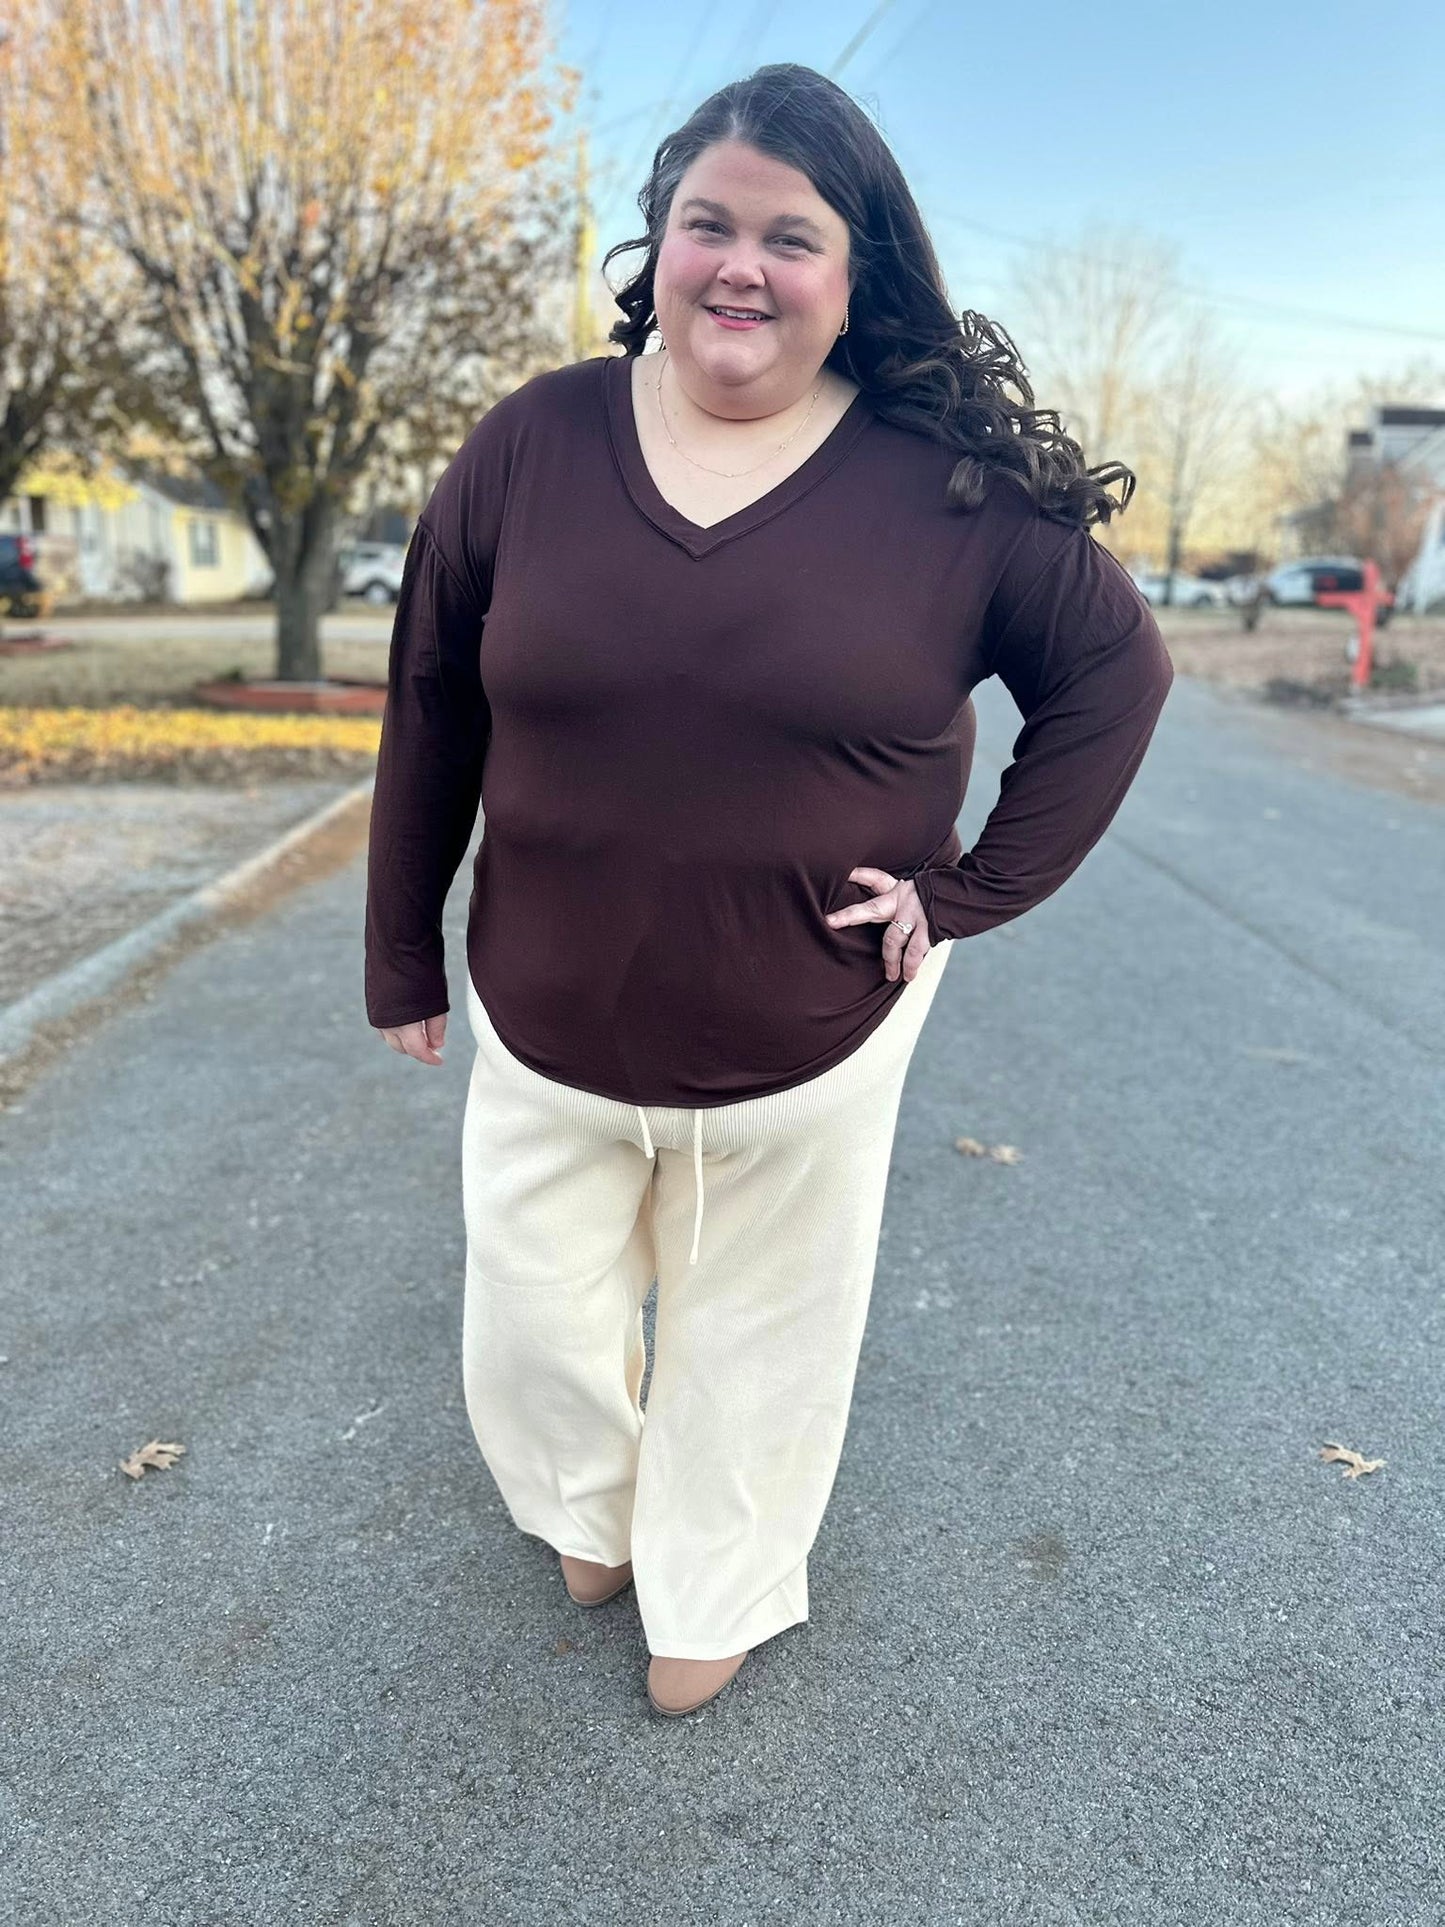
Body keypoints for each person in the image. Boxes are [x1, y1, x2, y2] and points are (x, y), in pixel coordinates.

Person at [364, 63, 1175, 1718]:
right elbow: (433, 695)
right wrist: (399, 953)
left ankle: (714, 1587)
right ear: (655, 247)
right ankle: (584, 1504)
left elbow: (1112, 677)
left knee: (757, 1340)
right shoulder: (534, 443)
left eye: (788, 237)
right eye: (705, 224)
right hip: (543, 1003)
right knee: (532, 1318)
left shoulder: (946, 488)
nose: (740, 264)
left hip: (809, 1024)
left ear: (854, 273)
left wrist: (963, 895)